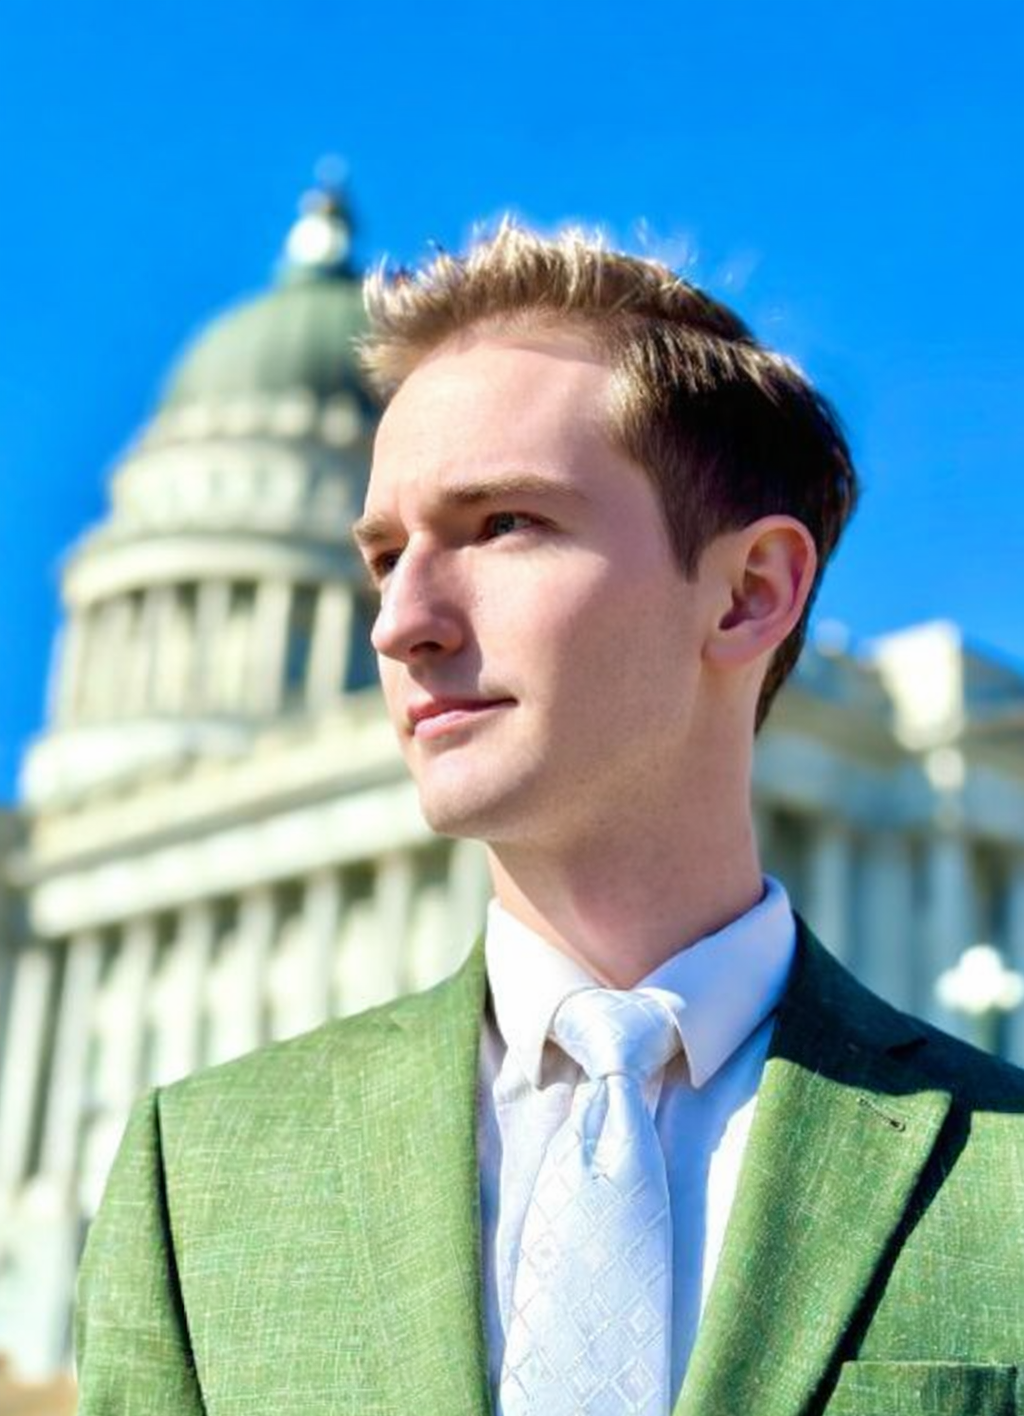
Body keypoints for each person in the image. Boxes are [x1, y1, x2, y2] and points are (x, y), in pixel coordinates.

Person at [77, 224, 1024, 1416]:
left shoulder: (1006, 1173)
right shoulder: (200, 1176)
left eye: (501, 525)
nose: (398, 621)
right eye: (381, 556)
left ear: (747, 594)